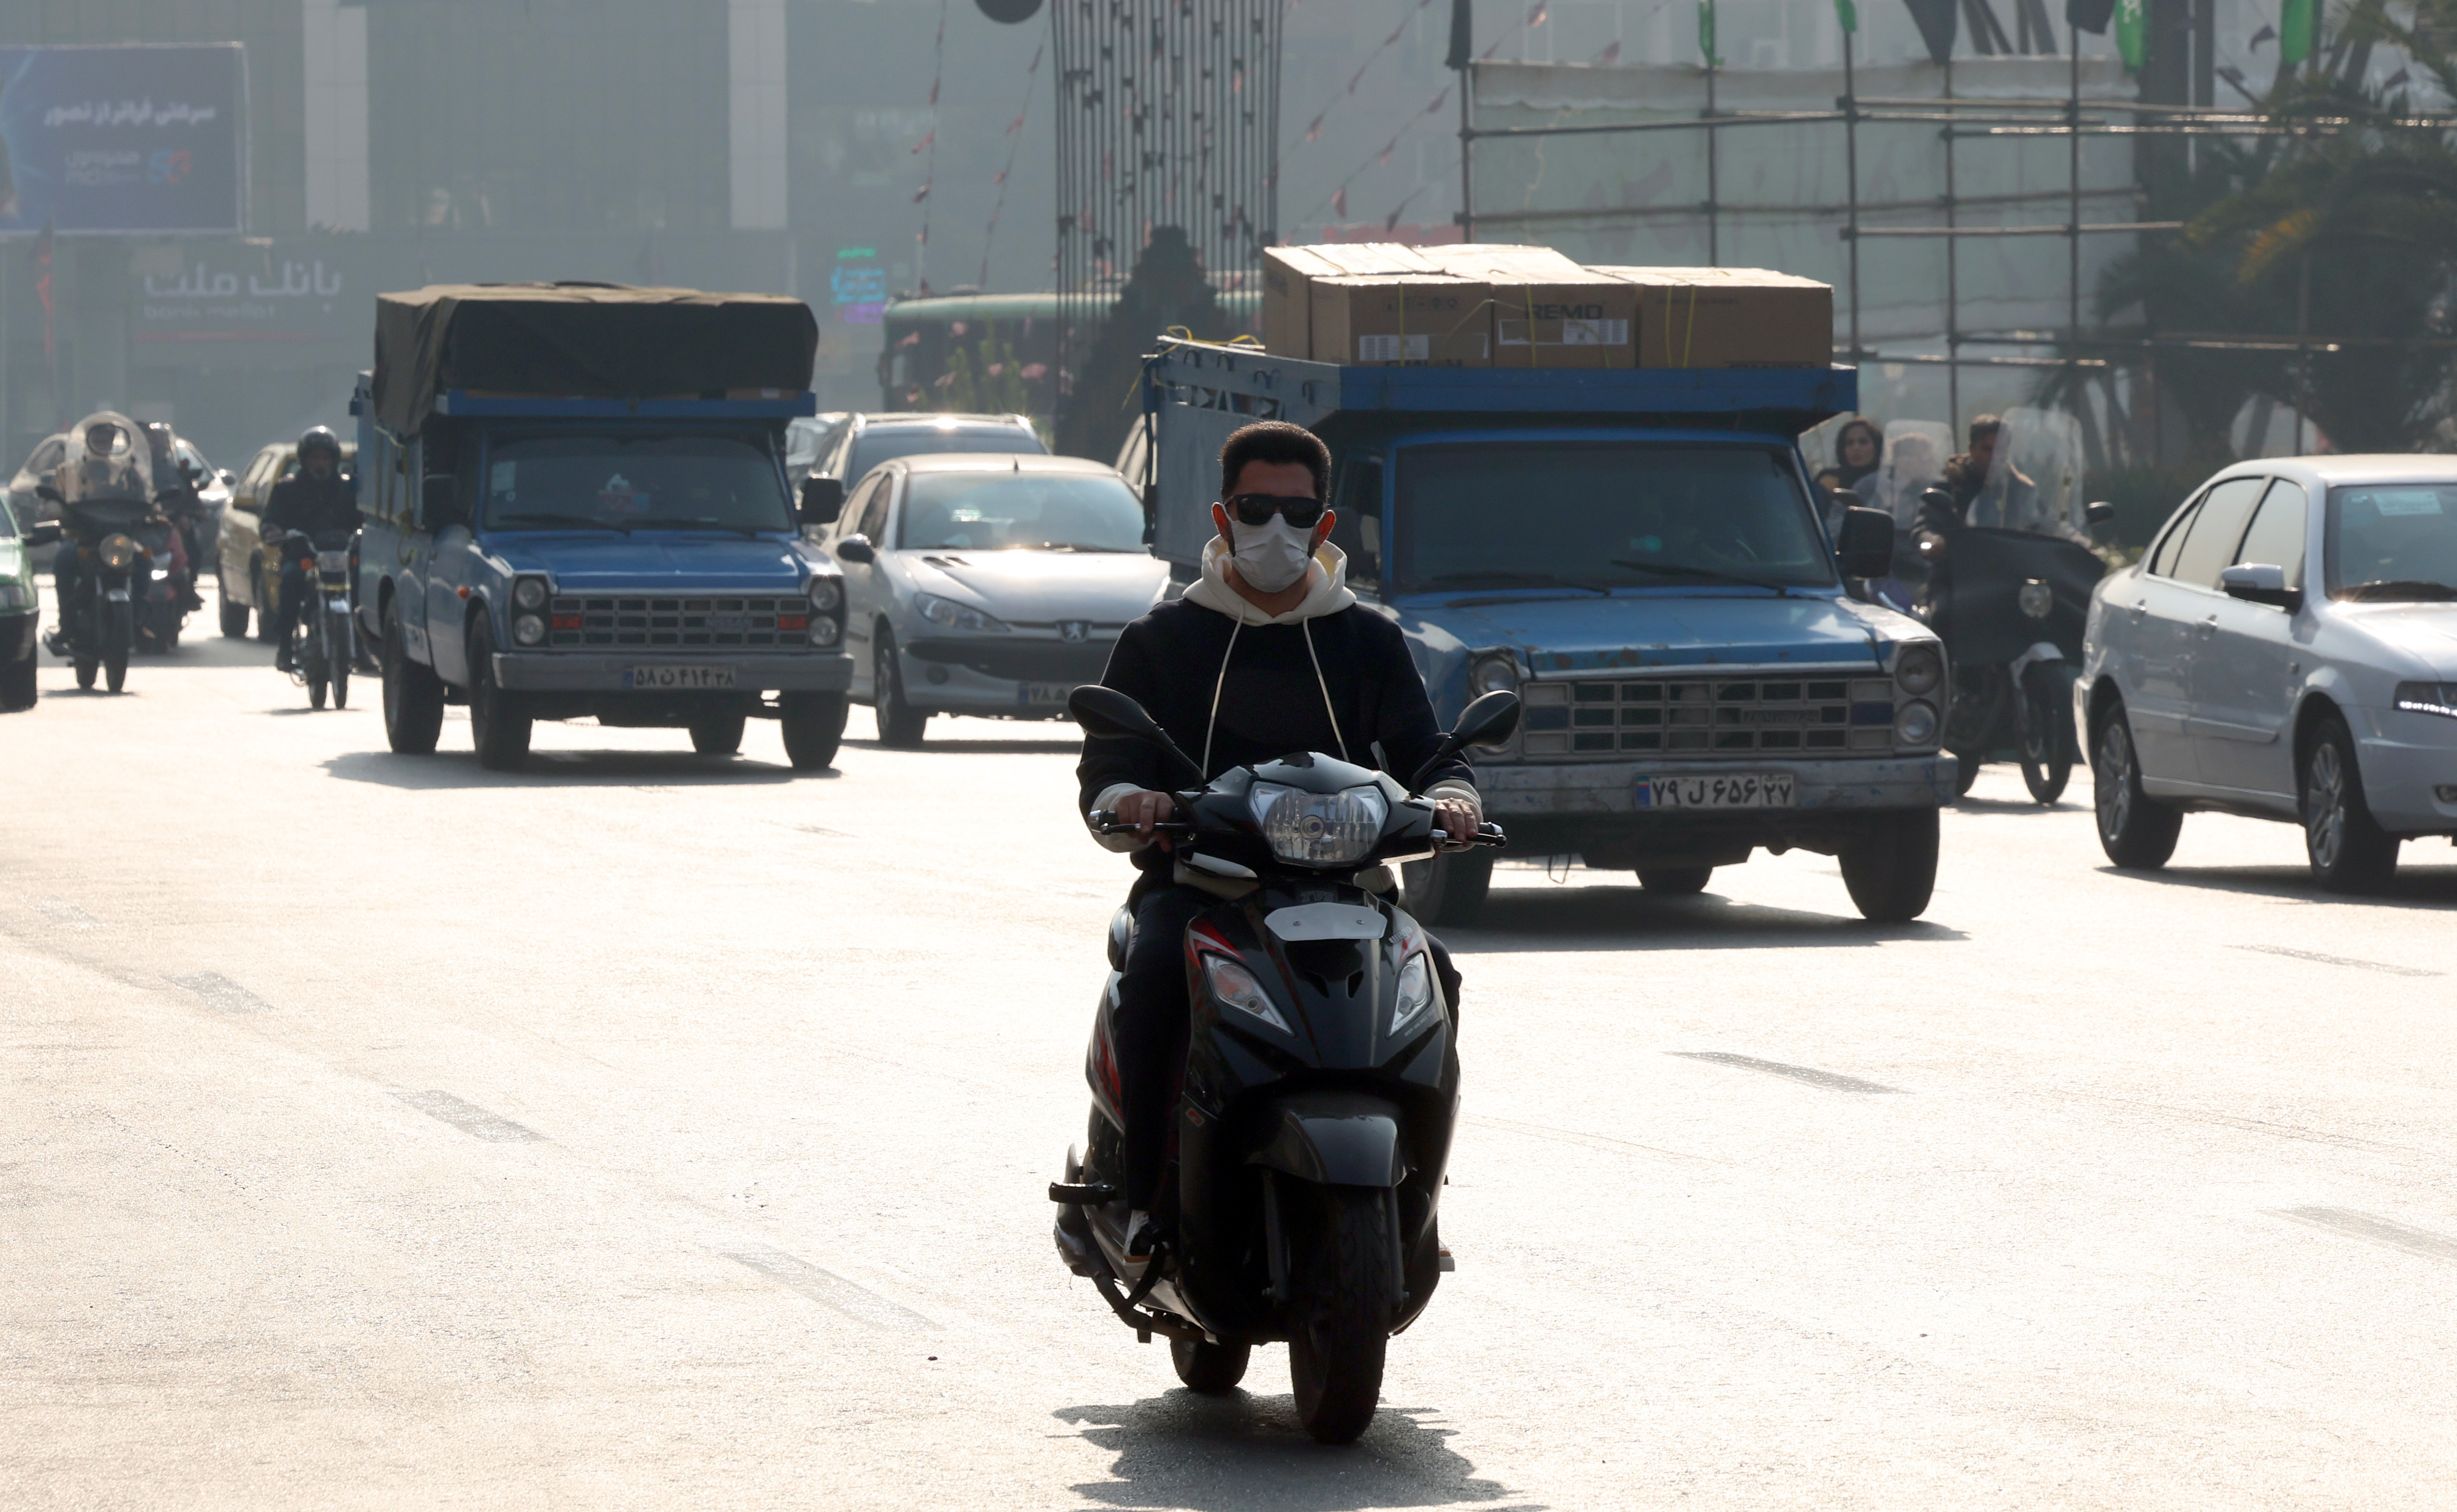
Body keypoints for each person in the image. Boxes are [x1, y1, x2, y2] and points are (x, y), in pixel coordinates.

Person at [1077, 419, 1482, 1255]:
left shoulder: (1368, 639)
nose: (1275, 530)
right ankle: (1147, 1200)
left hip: (1349, 893)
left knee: (1434, 972)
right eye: (1254, 509)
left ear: (1324, 526)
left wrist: (1449, 796)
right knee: (1154, 975)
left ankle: (1417, 1207)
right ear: (1222, 518)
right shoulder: (1161, 639)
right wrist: (1134, 799)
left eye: (1296, 514)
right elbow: (1106, 772)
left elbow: (1422, 751)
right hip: (1200, 890)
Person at [260, 427, 357, 672]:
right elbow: (271, 519)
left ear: (334, 460)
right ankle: (284, 647)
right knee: (291, 580)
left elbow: (362, 519)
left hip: (341, 558)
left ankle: (363, 646)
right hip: (303, 557)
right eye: (315, 458)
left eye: (325, 458)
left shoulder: (348, 489)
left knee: (361, 582)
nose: (320, 464)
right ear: (304, 460)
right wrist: (273, 531)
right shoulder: (287, 489)